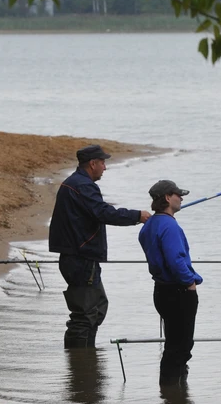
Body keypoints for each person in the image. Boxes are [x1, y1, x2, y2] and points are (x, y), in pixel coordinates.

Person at [49, 144, 150, 349]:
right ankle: (80, 364)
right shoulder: (83, 185)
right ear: (92, 164)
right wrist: (137, 216)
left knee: (97, 307)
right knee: (85, 314)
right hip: (80, 258)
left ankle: (86, 357)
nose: (105, 167)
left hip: (78, 257)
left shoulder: (76, 183)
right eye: (103, 163)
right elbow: (103, 213)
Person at [138, 179, 202, 385]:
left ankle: (173, 400)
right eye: (178, 194)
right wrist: (190, 282)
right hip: (178, 291)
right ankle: (174, 398)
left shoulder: (149, 227)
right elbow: (175, 260)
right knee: (181, 346)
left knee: (173, 343)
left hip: (161, 291)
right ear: (167, 197)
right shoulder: (169, 226)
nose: (181, 198)